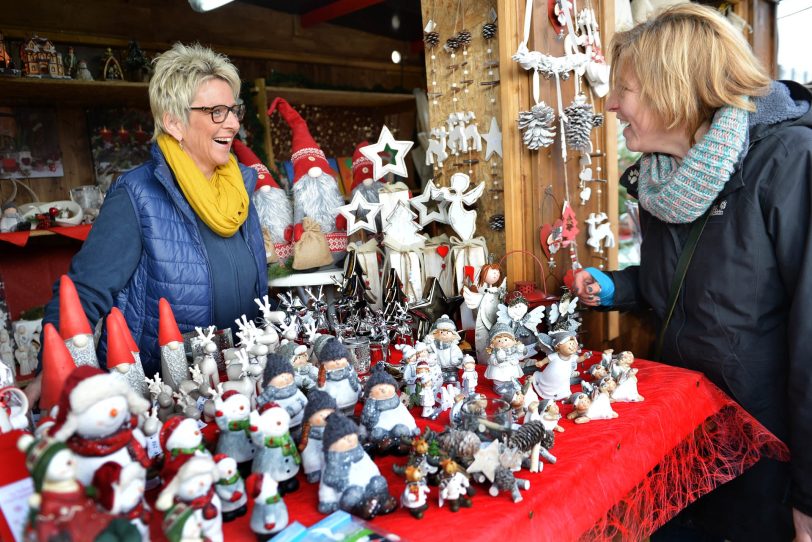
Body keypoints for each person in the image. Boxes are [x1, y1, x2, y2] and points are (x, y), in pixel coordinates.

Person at [572, 5, 812, 541]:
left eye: (625, 89)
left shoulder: (790, 161)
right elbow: (689, 284)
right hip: (686, 439)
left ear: (673, 88)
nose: (611, 104)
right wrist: (618, 286)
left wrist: (808, 500)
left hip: (765, 460)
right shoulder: (665, 181)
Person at [28, 43, 267, 402]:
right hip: (166, 398)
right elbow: (84, 292)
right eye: (217, 111)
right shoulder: (137, 194)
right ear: (174, 122)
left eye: (234, 110)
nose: (233, 123)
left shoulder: (240, 190)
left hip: (242, 381)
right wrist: (49, 370)